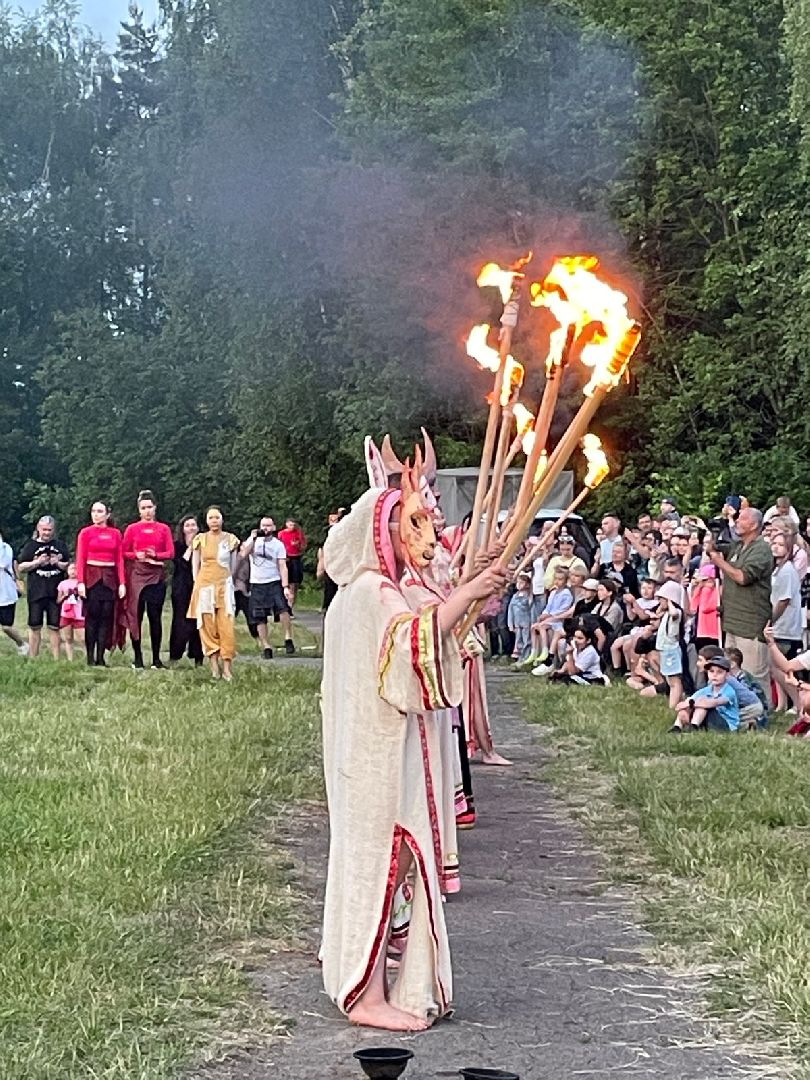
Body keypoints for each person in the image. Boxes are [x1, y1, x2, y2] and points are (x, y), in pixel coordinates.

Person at [320, 480, 507, 1031]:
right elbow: (411, 644)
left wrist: (469, 587)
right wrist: (468, 593)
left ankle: (381, 981)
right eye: (412, 524)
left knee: (392, 861)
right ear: (382, 531)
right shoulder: (372, 593)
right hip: (375, 755)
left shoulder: (372, 590)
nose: (422, 536)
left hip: (377, 750)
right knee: (381, 861)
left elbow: (426, 629)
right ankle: (365, 994)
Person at [708, 507, 773, 697]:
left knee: (754, 673)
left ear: (753, 525)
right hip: (732, 620)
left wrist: (718, 561)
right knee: (731, 671)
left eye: (742, 519)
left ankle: (763, 712)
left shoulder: (761, 549)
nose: (737, 521)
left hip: (751, 622)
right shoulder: (738, 546)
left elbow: (742, 577)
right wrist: (714, 534)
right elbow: (713, 548)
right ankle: (740, 706)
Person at [122, 490, 174, 669]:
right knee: (136, 617)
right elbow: (123, 552)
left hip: (156, 577)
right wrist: (136, 554)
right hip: (137, 577)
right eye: (143, 508)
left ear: (155, 508)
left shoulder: (163, 528)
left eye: (150, 507)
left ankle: (157, 659)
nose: (147, 511)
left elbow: (170, 552)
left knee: (155, 618)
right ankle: (137, 658)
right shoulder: (132, 529)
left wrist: (156, 554)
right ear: (139, 510)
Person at [188, 507, 240, 681]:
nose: (214, 520)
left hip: (224, 586)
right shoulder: (200, 539)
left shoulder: (231, 539)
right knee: (207, 626)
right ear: (207, 520)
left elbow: (233, 566)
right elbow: (195, 564)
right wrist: (197, 584)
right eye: (211, 517)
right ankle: (214, 668)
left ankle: (227, 668)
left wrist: (229, 582)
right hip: (204, 587)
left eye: (217, 517)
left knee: (227, 627)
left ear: (222, 519)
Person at [76, 501, 126, 667]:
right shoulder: (85, 533)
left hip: (110, 580)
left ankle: (100, 657)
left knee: (106, 618)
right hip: (92, 578)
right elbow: (80, 558)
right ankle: (90, 657)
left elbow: (119, 559)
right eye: (93, 511)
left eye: (99, 511)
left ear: (107, 514)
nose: (96, 514)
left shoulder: (115, 533)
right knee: (92, 618)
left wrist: (122, 583)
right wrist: (81, 582)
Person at [240, 516, 295, 659]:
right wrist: (252, 538)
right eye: (263, 526)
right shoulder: (253, 542)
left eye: (269, 526)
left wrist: (285, 586)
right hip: (257, 583)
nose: (266, 528)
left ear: (274, 527)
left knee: (283, 609)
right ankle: (266, 646)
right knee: (259, 616)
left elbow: (283, 566)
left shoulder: (278, 545)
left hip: (274, 581)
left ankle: (288, 637)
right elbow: (243, 554)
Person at [17, 515, 70, 658]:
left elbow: (69, 567)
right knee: (34, 626)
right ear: (38, 529)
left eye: (50, 530)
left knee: (54, 627)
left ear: (54, 530)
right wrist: (37, 563)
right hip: (36, 591)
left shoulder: (60, 545)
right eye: (44, 529)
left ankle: (56, 659)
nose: (47, 533)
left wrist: (57, 563)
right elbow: (21, 567)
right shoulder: (30, 546)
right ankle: (33, 658)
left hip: (55, 593)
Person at [670, 654, 739, 732]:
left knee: (703, 702)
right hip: (709, 721)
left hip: (726, 725)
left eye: (719, 672)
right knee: (693, 704)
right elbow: (689, 701)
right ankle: (677, 727)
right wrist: (686, 707)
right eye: (711, 671)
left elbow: (714, 703)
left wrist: (690, 703)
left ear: (727, 675)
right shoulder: (706, 690)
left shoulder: (729, 691)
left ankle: (693, 726)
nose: (714, 675)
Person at [168, 515, 204, 665]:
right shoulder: (176, 545)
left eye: (193, 525)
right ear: (182, 529)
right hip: (181, 586)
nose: (191, 528)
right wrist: (192, 546)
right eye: (187, 525)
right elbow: (182, 562)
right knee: (180, 620)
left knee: (198, 621)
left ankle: (198, 656)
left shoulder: (205, 544)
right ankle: (175, 655)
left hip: (199, 585)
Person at [0, 527, 27, 654]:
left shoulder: (6, 549)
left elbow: (3, 564)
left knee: (6, 626)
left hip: (5, 593)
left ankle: (22, 644)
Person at [690, 564, 721, 651]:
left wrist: (707, 590)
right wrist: (699, 587)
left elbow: (707, 607)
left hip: (714, 633)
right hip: (702, 632)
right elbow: (693, 607)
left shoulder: (717, 590)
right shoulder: (702, 589)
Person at [57, 561, 84, 661]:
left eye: (76, 569)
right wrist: (65, 595)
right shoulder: (63, 584)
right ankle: (70, 658)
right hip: (66, 613)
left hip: (79, 613)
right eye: (71, 569)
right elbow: (58, 600)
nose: (74, 571)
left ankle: (87, 655)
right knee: (68, 637)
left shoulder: (81, 583)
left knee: (82, 638)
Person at [278, 518, 307, 609]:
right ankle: (284, 603)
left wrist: (297, 545)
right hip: (285, 558)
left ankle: (291, 604)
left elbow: (303, 546)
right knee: (285, 580)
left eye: (293, 525)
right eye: (290, 525)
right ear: (286, 524)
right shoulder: (281, 534)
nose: (292, 527)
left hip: (296, 557)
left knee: (295, 582)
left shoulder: (298, 533)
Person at [507, 570, 533, 665]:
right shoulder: (515, 596)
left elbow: (530, 608)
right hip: (517, 623)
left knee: (526, 639)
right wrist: (510, 623)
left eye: (521, 582)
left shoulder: (529, 596)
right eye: (518, 582)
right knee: (518, 640)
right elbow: (510, 610)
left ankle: (526, 657)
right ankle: (519, 657)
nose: (519, 585)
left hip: (526, 622)